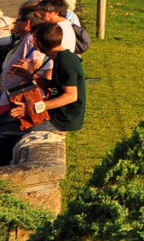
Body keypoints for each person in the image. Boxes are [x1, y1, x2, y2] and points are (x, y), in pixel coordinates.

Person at [0, 20, 84, 159]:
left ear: (38, 43)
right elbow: (55, 88)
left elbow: (71, 96)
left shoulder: (66, 61)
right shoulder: (60, 58)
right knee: (5, 124)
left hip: (61, 119)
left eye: (34, 41)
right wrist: (31, 76)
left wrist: (33, 108)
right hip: (54, 115)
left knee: (5, 134)